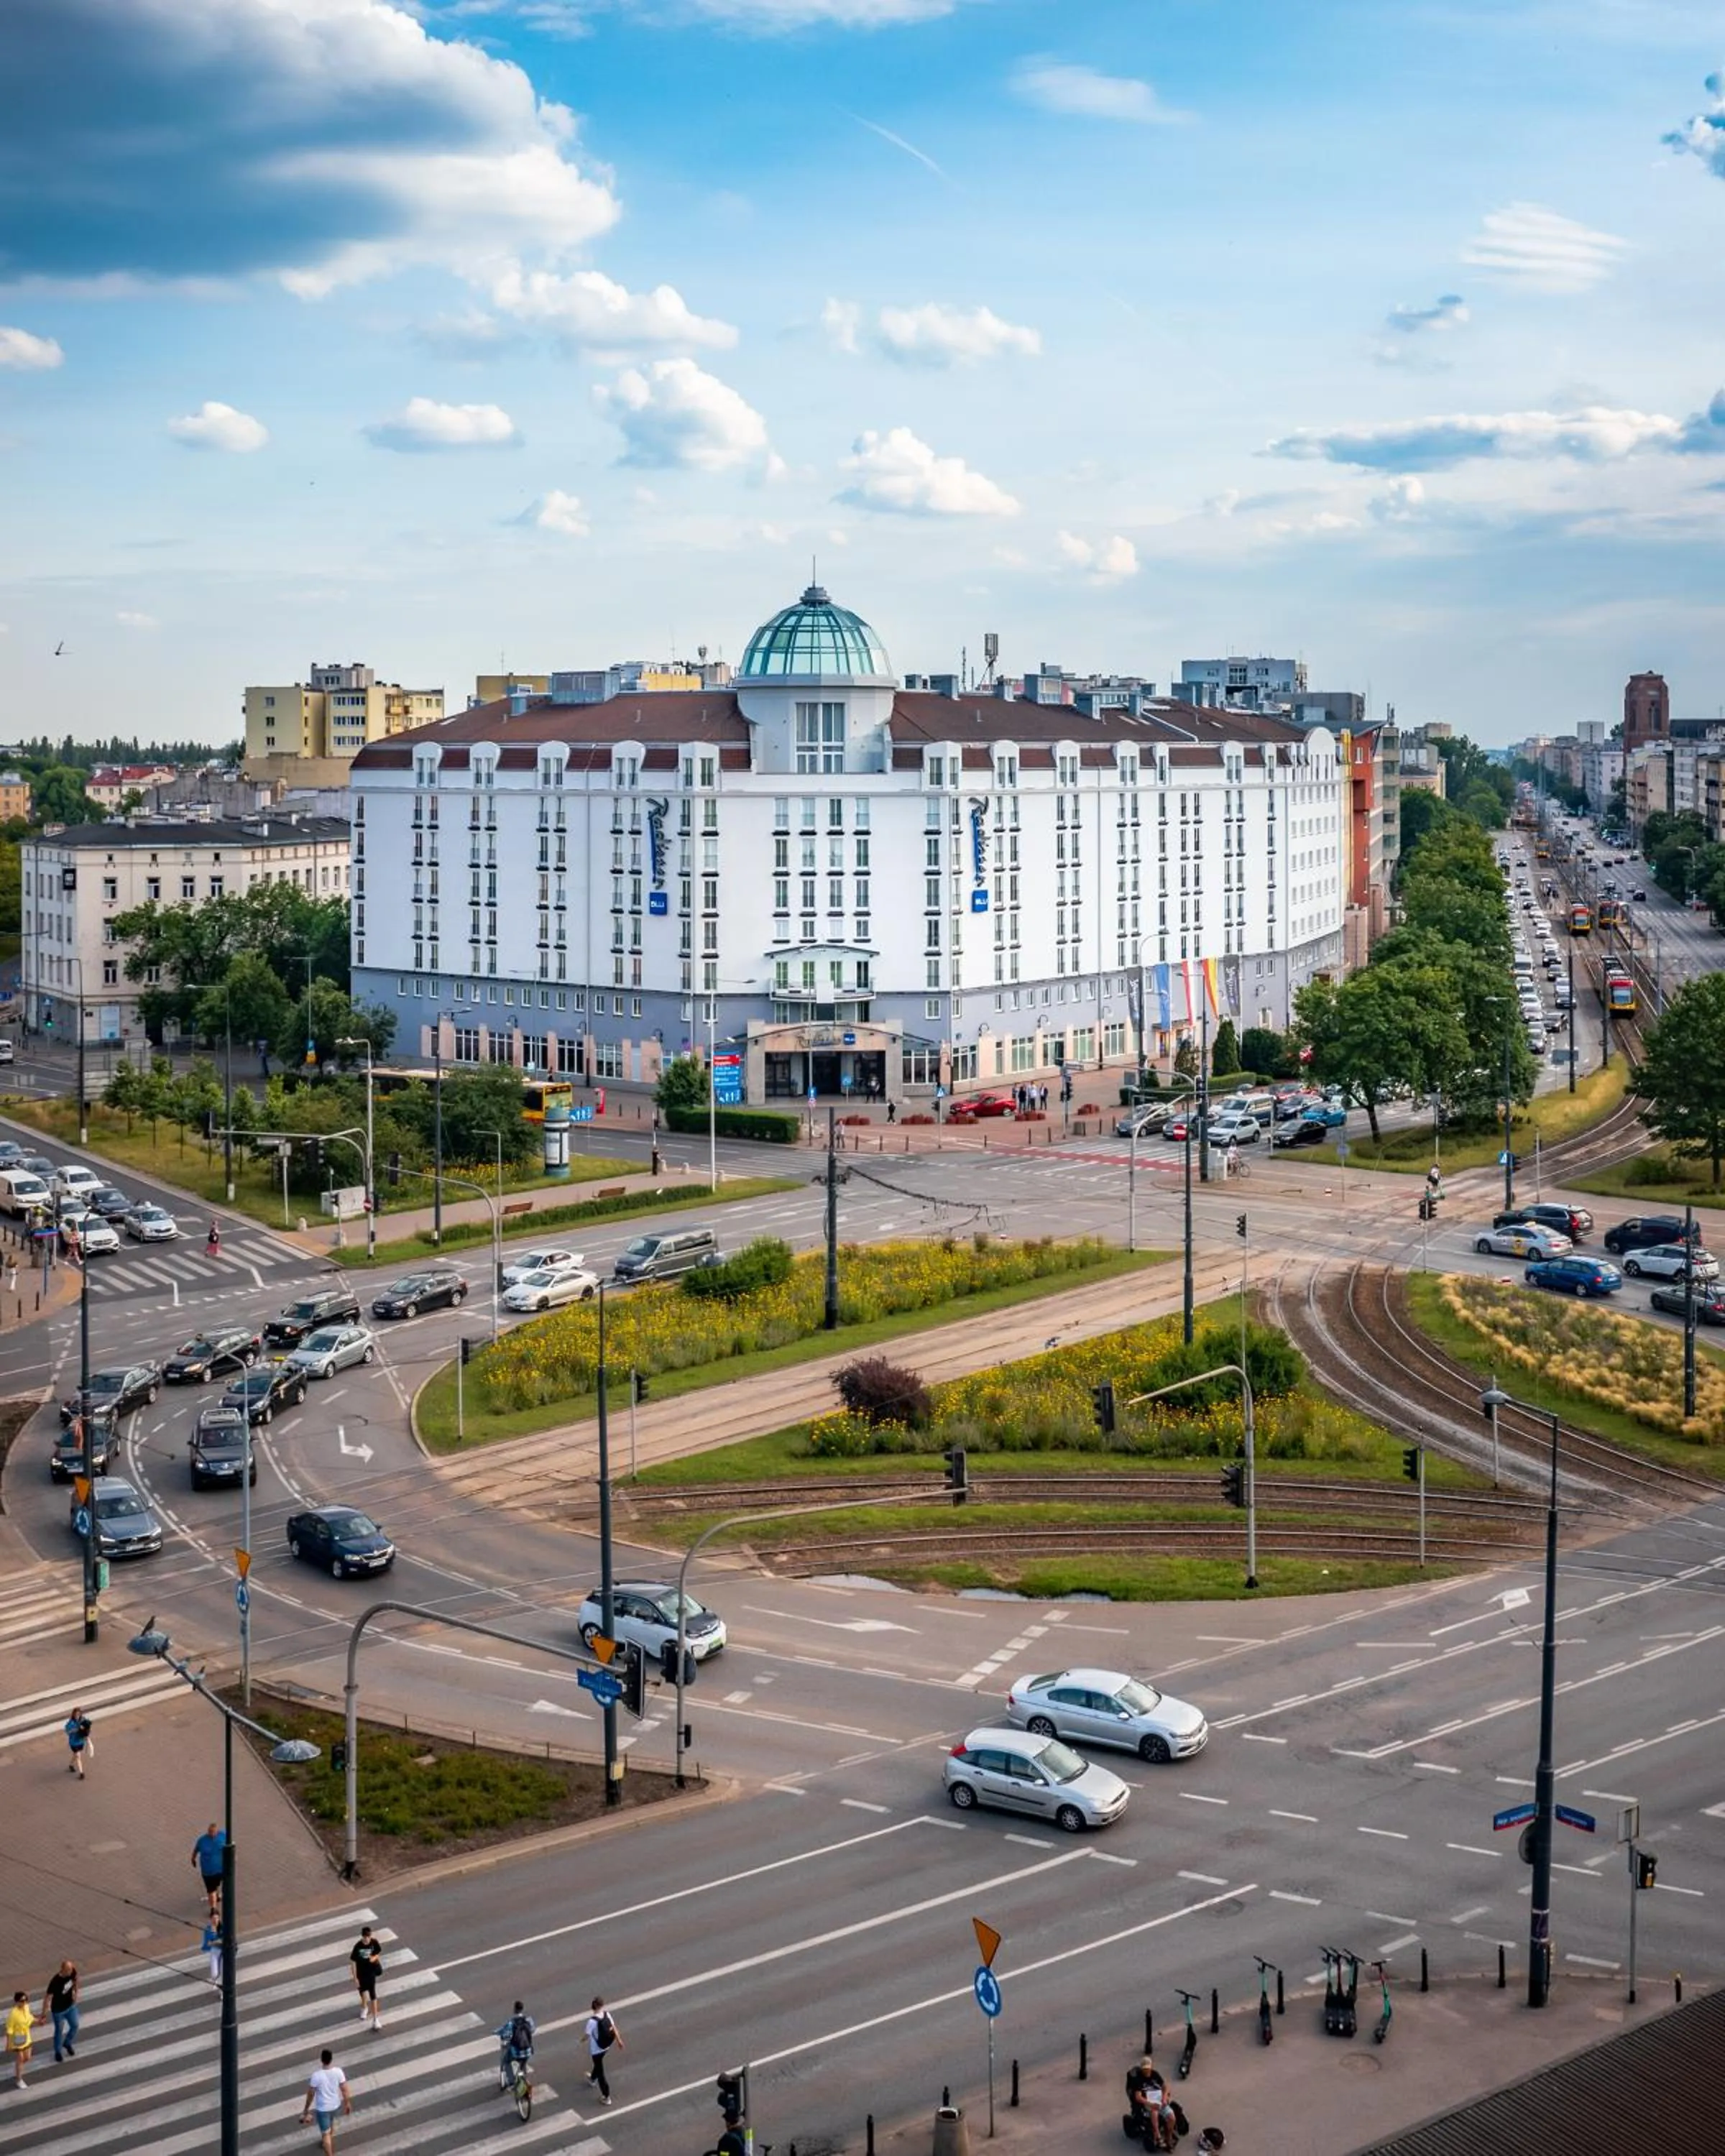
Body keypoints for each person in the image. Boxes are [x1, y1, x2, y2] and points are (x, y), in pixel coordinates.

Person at [299, 2047, 351, 2154]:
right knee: (330, 2123)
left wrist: (306, 2109)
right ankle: (326, 2141)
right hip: (335, 2106)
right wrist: (347, 2103)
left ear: (321, 2060)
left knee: (325, 2134)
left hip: (323, 2109)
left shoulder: (316, 2076)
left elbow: (311, 2094)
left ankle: (328, 2147)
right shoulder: (338, 2072)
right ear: (331, 2060)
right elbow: (344, 2089)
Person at [1124, 2055, 1177, 2152]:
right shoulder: (1138, 2079)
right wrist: (1149, 2104)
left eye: (1148, 2069)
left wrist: (1164, 2098)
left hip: (1160, 2101)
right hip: (1148, 2104)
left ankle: (1169, 2138)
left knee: (1171, 2117)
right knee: (1154, 2112)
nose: (1147, 2072)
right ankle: (1158, 2135)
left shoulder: (1155, 2075)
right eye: (1145, 2070)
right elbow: (1138, 2097)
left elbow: (1165, 2087)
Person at [584, 1995, 621, 2106]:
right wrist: (619, 2040)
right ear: (602, 2005)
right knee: (598, 2064)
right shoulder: (607, 2014)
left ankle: (606, 2096)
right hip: (607, 2046)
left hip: (597, 2049)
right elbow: (614, 2028)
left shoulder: (592, 2021)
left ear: (593, 2006)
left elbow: (587, 2035)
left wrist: (581, 2041)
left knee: (601, 2072)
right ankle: (592, 2078)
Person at [41, 1962, 78, 2063]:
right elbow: (47, 1998)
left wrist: (76, 1994)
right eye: (68, 1970)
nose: (71, 1972)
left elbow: (75, 1981)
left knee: (75, 2025)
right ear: (63, 1970)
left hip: (70, 2007)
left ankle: (67, 2043)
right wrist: (44, 2014)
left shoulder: (73, 1973)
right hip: (58, 2011)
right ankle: (58, 2052)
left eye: (71, 1969)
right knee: (59, 2031)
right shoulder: (55, 1982)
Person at [349, 1925, 382, 2032]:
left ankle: (376, 2019)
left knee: (373, 1995)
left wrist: (374, 1958)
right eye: (365, 1937)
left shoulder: (374, 1943)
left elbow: (378, 1952)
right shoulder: (358, 1946)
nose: (367, 1939)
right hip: (361, 1974)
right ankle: (364, 2007)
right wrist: (355, 1978)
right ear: (362, 1936)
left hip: (371, 1973)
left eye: (368, 1936)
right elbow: (353, 1962)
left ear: (370, 1936)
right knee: (362, 1992)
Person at [496, 2001, 535, 2088]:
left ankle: (512, 2081)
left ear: (514, 2009)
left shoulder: (511, 2023)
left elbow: (505, 2033)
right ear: (522, 2009)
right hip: (528, 2050)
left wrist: (497, 2033)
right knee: (523, 2065)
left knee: (506, 2061)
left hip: (517, 2052)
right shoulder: (528, 2020)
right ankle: (524, 2081)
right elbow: (532, 2030)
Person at [192, 1823, 227, 1917]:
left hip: (221, 1869)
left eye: (213, 1832)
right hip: (208, 1872)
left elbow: (230, 1846)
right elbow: (196, 1850)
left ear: (217, 1831)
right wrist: (193, 1859)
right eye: (210, 1832)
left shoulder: (223, 1836)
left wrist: (234, 1857)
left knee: (219, 1885)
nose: (211, 1834)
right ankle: (214, 1909)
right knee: (211, 1890)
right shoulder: (202, 1840)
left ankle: (218, 1895)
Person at [7, 1991, 37, 2090]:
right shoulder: (13, 2014)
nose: (24, 2002)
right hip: (18, 2038)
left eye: (26, 2000)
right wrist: (8, 2044)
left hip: (27, 2036)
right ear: (16, 2002)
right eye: (22, 2001)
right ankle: (19, 2079)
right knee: (21, 2058)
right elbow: (10, 2030)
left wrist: (38, 2021)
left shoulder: (26, 2007)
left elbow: (30, 2018)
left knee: (27, 2057)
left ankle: (17, 2068)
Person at [63, 1708, 91, 1780]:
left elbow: (87, 1728)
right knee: (78, 1756)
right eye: (76, 1714)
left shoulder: (82, 1720)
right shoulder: (71, 1722)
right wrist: (75, 1730)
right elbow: (67, 1731)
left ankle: (71, 1765)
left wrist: (86, 1730)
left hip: (81, 1742)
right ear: (73, 1714)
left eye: (78, 1714)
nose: (77, 1716)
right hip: (74, 1743)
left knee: (75, 1755)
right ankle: (82, 1773)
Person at [203, 1916, 222, 1984]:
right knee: (214, 1972)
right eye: (213, 1918)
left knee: (223, 1971)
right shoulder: (208, 1929)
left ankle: (222, 1989)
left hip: (223, 1951)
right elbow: (207, 1943)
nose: (215, 1920)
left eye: (217, 1918)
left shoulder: (222, 1927)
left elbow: (224, 1941)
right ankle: (215, 1981)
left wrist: (213, 1942)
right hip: (214, 1951)